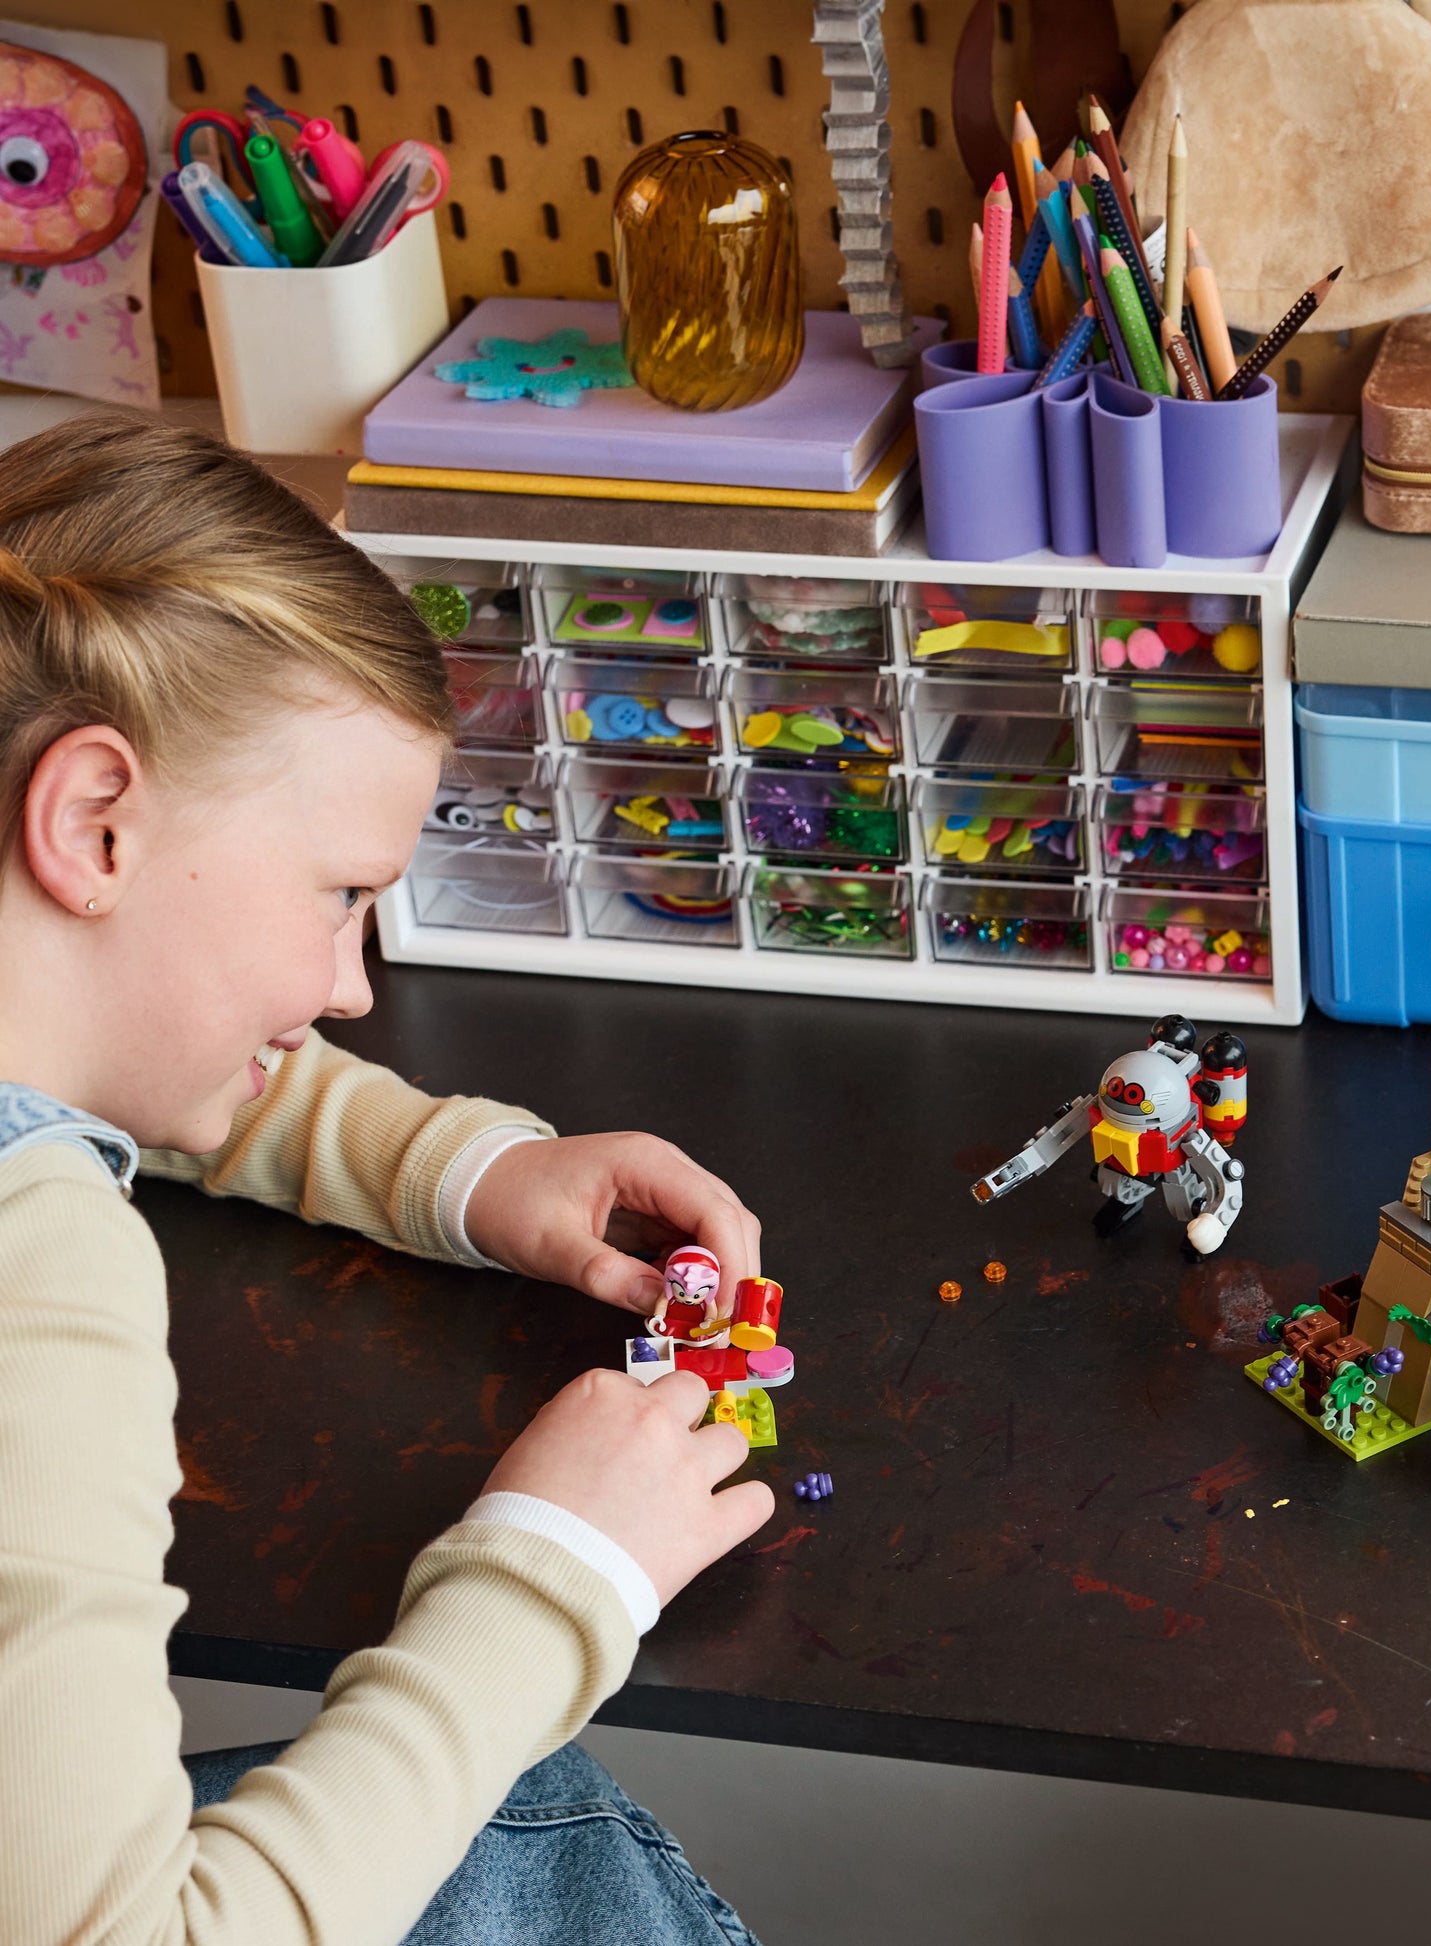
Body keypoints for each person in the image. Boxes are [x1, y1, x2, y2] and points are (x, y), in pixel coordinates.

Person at [0, 414, 773, 1944]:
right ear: (94, 822)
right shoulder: (40, 1271)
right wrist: (554, 1571)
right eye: (342, 893)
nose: (354, 985)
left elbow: (99, 1048)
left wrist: (466, 1168)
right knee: (560, 1846)